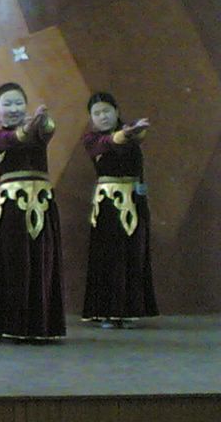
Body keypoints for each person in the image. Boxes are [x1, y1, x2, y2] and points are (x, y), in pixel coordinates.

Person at [0, 82, 66, 342]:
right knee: (13, 264)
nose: (14, 109)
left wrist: (43, 121)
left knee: (43, 262)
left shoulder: (38, 131)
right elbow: (12, 140)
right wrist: (28, 128)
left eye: (19, 103)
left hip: (43, 204)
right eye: (7, 104)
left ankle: (42, 327)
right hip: (11, 207)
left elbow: (48, 129)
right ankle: (10, 326)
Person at [82, 92, 158, 329]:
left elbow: (136, 136)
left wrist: (132, 132)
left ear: (116, 111)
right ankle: (106, 311)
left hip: (135, 201)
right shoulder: (92, 140)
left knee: (134, 254)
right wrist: (126, 134)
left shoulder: (132, 133)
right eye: (97, 113)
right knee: (108, 256)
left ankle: (129, 310)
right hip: (107, 205)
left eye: (107, 111)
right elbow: (110, 143)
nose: (102, 116)